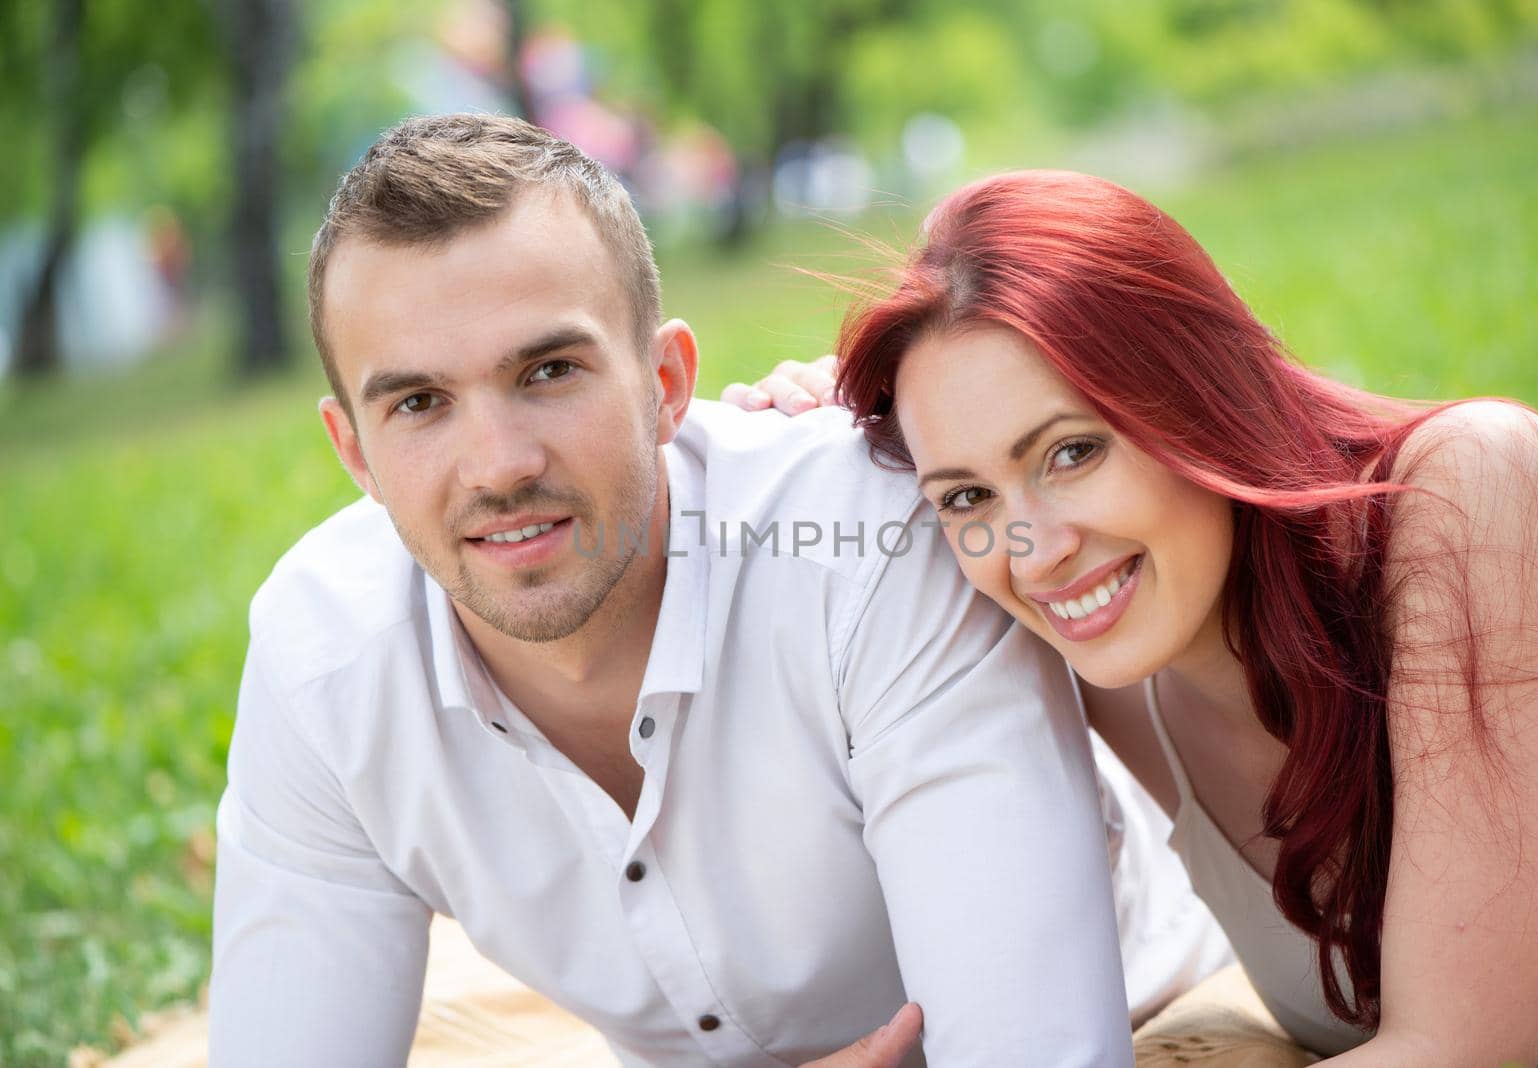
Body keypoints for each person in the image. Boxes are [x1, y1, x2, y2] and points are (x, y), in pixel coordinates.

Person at [206, 119, 1230, 1067]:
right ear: (355, 452)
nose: (498, 465)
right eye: (420, 403)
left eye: (550, 372)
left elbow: (1035, 1052)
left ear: (665, 381)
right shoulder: (323, 658)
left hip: (1162, 1006)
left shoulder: (871, 542)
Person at [723, 169, 1538, 1068]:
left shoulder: (1478, 493)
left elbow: (1458, 1050)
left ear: (1199, 391)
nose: (1034, 554)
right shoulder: (1107, 668)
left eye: (1071, 451)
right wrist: (808, 460)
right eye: (968, 495)